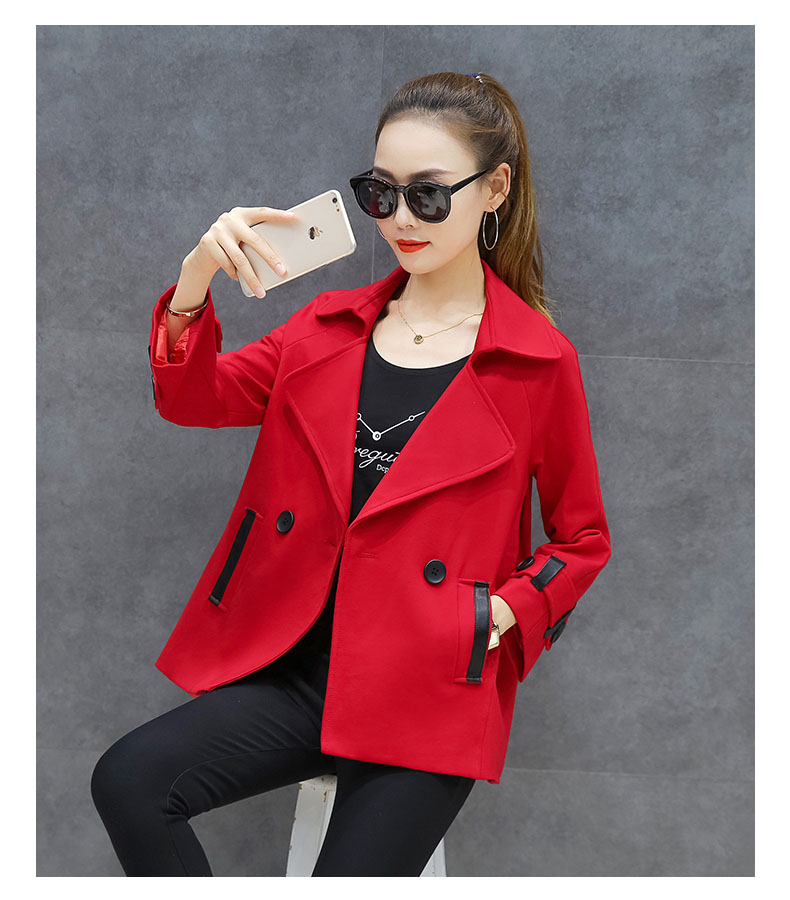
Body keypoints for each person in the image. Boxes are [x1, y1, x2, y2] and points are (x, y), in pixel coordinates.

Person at [90, 71, 612, 877]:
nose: (400, 219)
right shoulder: (325, 329)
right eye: (381, 192)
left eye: (428, 195)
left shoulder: (536, 363)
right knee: (129, 781)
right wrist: (196, 279)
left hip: (427, 690)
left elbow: (581, 539)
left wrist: (499, 613)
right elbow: (195, 400)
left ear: (494, 188)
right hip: (300, 677)